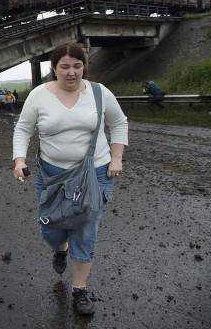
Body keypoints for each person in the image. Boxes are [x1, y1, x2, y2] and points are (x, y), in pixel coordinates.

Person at [12, 42, 128, 316]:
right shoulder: (39, 95)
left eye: (77, 66)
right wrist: (19, 159)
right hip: (53, 177)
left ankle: (80, 289)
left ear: (83, 67)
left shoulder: (99, 93)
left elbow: (119, 122)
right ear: (54, 68)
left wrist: (117, 157)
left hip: (94, 173)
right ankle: (60, 248)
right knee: (51, 230)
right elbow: (23, 129)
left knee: (85, 230)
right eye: (64, 66)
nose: (72, 72)